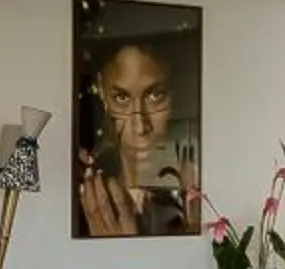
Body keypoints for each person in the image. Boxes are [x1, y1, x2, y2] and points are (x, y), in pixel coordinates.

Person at [75, 41, 199, 237]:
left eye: (155, 95)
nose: (140, 126)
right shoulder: (85, 199)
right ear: (102, 93)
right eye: (121, 98)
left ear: (174, 92)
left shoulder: (197, 196)